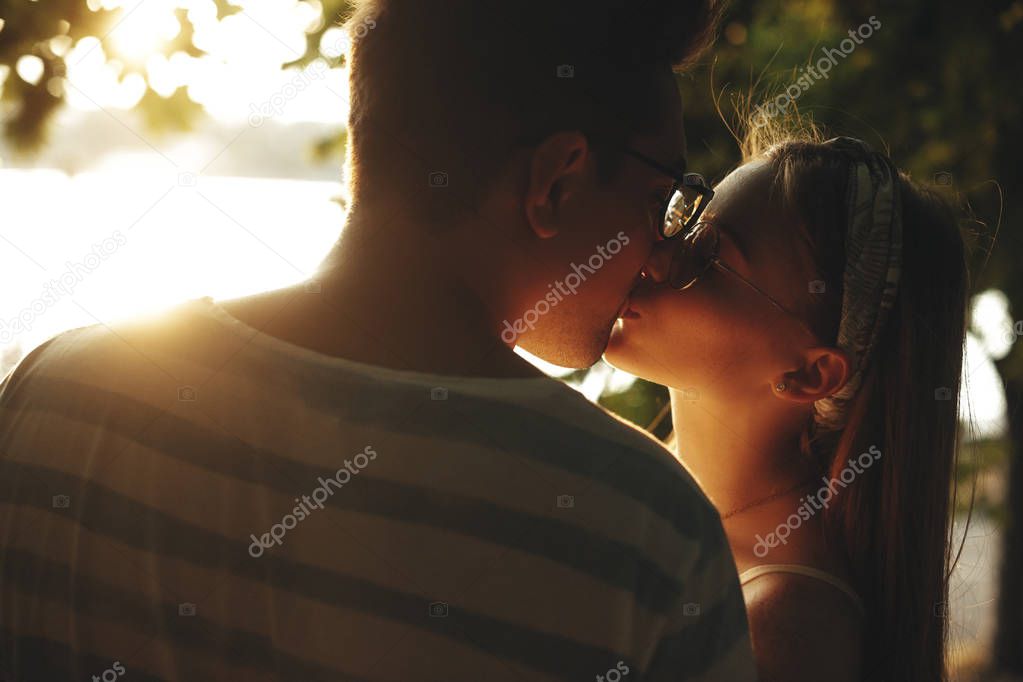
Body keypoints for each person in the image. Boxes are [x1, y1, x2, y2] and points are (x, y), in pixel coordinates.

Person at [0, 1, 757, 680]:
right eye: (665, 200)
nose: (661, 252)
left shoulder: (55, 392)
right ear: (556, 180)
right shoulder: (646, 534)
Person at [606, 127, 970, 681]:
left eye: (707, 255)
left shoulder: (783, 626)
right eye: (683, 220)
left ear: (809, 373)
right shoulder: (644, 500)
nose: (654, 255)